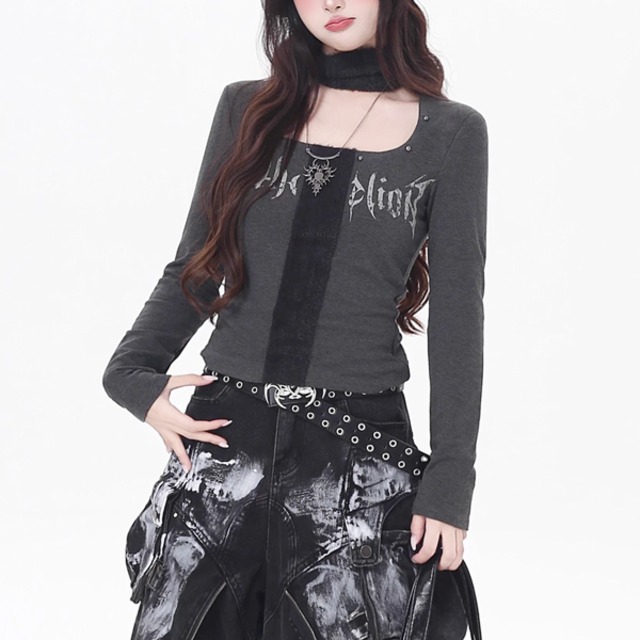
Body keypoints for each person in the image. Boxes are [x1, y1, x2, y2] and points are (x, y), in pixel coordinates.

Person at [102, 1, 488, 638]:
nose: (331, 2)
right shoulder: (246, 108)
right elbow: (197, 266)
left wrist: (450, 482)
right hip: (226, 444)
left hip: (359, 460)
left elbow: (457, 318)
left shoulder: (452, 133)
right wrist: (130, 378)